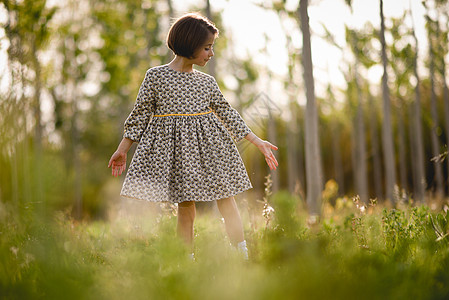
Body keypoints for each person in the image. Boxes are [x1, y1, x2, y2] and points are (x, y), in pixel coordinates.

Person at [108, 13, 278, 260]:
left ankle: (241, 254)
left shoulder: (207, 83)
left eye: (212, 48)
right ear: (190, 45)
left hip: (211, 150)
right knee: (185, 207)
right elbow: (140, 116)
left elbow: (227, 114)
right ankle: (185, 261)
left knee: (225, 197)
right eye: (207, 48)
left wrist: (257, 141)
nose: (211, 54)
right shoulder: (155, 77)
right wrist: (123, 148)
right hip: (178, 155)